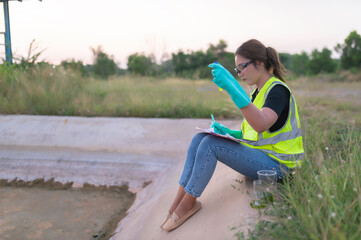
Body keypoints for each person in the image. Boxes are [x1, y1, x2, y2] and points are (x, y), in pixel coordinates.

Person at [160, 39, 304, 232]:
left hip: (280, 167)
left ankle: (188, 205)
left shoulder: (277, 91)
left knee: (211, 144)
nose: (239, 74)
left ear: (259, 63)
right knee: (199, 139)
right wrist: (228, 132)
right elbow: (252, 133)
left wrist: (231, 88)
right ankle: (177, 204)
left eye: (242, 68)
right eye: (236, 70)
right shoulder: (257, 93)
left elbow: (261, 124)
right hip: (265, 158)